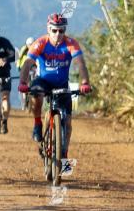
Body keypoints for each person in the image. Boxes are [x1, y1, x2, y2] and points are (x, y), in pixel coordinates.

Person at [18, 14, 92, 166]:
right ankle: (37, 123)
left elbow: (80, 63)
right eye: (54, 31)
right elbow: (27, 64)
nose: (58, 34)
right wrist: (23, 82)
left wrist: (84, 82)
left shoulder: (70, 43)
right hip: (43, 81)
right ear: (48, 29)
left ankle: (63, 152)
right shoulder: (41, 43)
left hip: (62, 84)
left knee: (69, 123)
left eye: (61, 31)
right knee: (36, 94)